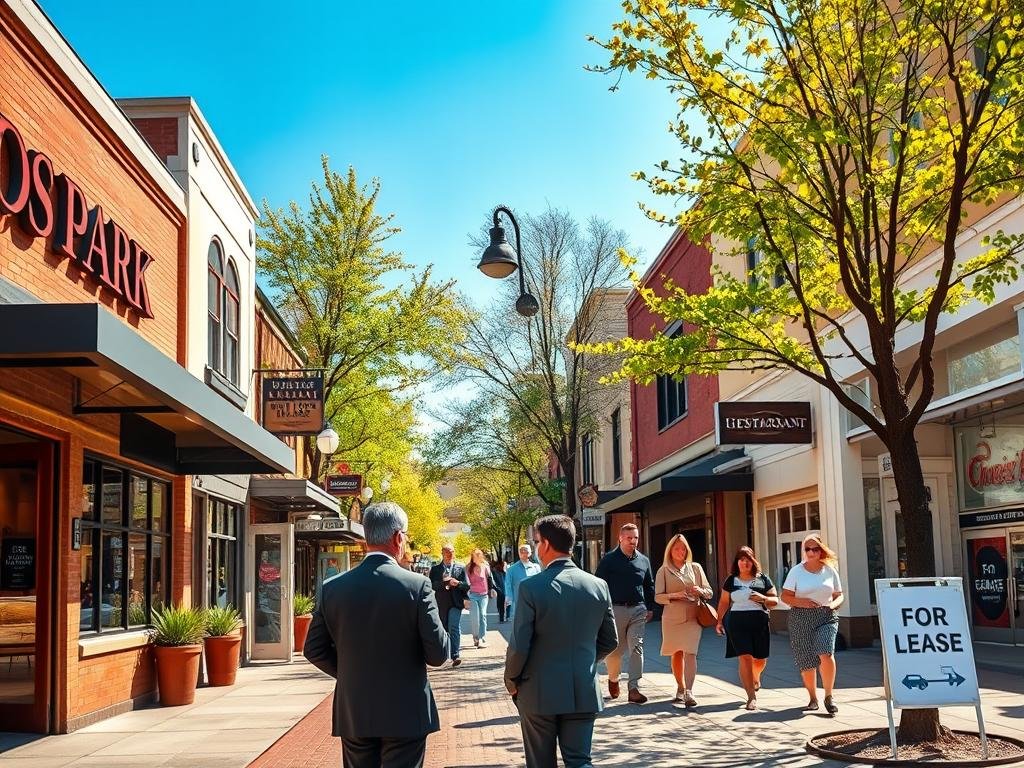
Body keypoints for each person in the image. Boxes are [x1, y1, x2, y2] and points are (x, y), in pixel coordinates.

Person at [303, 502, 449, 768]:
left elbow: (313, 649)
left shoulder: (333, 588)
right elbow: (438, 654)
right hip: (406, 710)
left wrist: (350, 671)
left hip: (355, 709)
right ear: (398, 537)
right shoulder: (417, 585)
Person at [505, 515, 618, 768]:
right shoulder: (598, 585)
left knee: (541, 763)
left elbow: (520, 644)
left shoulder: (531, 587)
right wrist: (584, 658)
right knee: (580, 761)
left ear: (544, 544)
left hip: (538, 689)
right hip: (583, 685)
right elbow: (610, 640)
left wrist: (511, 679)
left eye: (536, 542)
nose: (535, 548)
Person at [780, 533, 845, 715]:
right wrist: (803, 602)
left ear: (821, 551)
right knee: (806, 660)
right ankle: (813, 698)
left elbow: (839, 594)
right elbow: (784, 596)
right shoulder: (796, 571)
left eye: (814, 549)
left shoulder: (830, 570)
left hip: (826, 616)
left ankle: (829, 696)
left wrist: (833, 605)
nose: (810, 552)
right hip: (800, 617)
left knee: (825, 651)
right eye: (807, 549)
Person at [595, 522, 656, 703]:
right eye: (629, 538)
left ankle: (634, 688)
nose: (633, 541)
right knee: (614, 651)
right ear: (620, 538)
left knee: (637, 647)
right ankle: (614, 679)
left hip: (638, 610)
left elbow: (649, 585)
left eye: (635, 537)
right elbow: (599, 585)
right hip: (615, 609)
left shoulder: (644, 561)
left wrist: (650, 607)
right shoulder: (609, 560)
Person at [715, 546, 778, 710]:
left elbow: (775, 600)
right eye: (742, 560)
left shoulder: (763, 579)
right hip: (737, 621)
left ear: (753, 561)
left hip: (759, 621)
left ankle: (755, 676)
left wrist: (763, 598)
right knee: (745, 657)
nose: (745, 563)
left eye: (748, 559)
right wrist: (719, 621)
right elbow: (723, 602)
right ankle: (751, 696)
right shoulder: (731, 580)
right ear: (737, 562)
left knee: (760, 659)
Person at [653, 533, 713, 707]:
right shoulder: (663, 570)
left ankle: (689, 691)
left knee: (691, 652)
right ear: (670, 551)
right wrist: (675, 595)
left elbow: (709, 591)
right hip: (672, 618)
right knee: (677, 654)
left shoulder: (695, 568)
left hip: (694, 616)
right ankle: (680, 686)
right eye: (677, 548)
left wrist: (700, 591)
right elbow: (658, 597)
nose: (680, 551)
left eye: (683, 548)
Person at [429, 544, 471, 667]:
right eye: (447, 552)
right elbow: (431, 586)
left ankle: (455, 655)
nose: (449, 554)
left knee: (454, 627)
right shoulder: (435, 569)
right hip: (441, 602)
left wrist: (457, 583)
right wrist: (444, 583)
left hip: (455, 603)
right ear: (442, 553)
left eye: (452, 551)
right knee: (443, 629)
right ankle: (444, 655)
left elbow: (466, 585)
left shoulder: (460, 567)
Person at [467, 548, 497, 648]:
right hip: (472, 595)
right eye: (474, 556)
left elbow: (490, 579)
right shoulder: (468, 567)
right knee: (475, 617)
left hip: (484, 595)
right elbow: (465, 582)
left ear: (481, 557)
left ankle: (482, 638)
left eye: (478, 556)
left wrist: (492, 589)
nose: (476, 558)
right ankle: (476, 637)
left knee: (483, 615)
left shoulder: (485, 567)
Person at [505, 544, 541, 621]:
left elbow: (540, 584)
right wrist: (509, 597)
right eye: (522, 551)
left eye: (526, 551)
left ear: (530, 553)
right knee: (519, 621)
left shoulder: (536, 568)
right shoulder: (512, 569)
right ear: (519, 553)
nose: (524, 553)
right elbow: (508, 584)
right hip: (518, 600)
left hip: (534, 600)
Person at [492, 559, 508, 623]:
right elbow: (494, 581)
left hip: (502, 590)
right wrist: (496, 589)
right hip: (501, 590)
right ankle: (502, 617)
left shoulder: (504, 572)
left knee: (502, 604)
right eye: (504, 565)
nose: (505, 566)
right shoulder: (495, 572)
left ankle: (503, 617)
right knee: (501, 604)